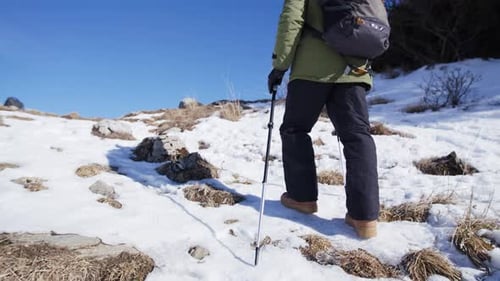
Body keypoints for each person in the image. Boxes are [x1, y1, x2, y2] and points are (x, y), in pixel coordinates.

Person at [267, 0, 380, 239]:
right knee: (357, 137)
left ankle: (302, 198)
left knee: (295, 129)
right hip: (354, 68)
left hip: (312, 68)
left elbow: (292, 19)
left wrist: (279, 66)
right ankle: (364, 218)